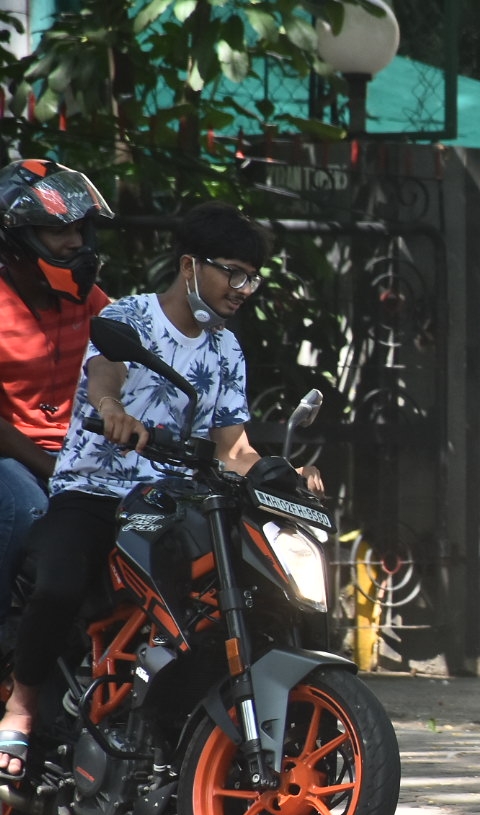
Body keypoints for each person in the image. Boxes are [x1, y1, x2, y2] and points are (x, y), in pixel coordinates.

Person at [0, 201, 321, 780]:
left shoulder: (225, 347)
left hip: (171, 503)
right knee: (58, 582)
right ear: (190, 265)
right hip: (96, 490)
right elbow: (106, 374)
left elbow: (234, 447)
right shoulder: (132, 319)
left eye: (253, 277)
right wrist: (112, 410)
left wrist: (286, 479)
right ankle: (21, 709)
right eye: (234, 272)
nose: (244, 288)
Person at [0, 160, 114, 593]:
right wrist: (54, 469)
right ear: (16, 240)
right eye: (58, 231)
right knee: (26, 508)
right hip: (17, 461)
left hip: (77, 460)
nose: (75, 243)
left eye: (80, 230)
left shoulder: (87, 301)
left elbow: (138, 354)